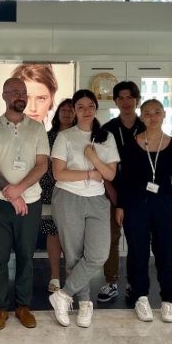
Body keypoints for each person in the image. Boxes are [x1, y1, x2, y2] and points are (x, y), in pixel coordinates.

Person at [0, 77, 49, 330]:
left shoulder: (37, 128)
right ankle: (0, 308)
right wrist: (12, 195)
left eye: (22, 92)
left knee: (25, 256)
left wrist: (20, 190)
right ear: (4, 95)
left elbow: (42, 164)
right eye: (13, 92)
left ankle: (22, 306)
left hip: (30, 202)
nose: (19, 96)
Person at [48, 90, 119, 327]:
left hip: (97, 200)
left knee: (98, 253)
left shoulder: (106, 137)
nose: (86, 110)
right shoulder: (65, 136)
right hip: (68, 198)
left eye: (91, 106)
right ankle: (85, 304)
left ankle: (63, 295)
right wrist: (90, 173)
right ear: (75, 110)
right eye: (81, 106)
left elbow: (109, 173)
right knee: (73, 255)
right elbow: (59, 173)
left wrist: (94, 157)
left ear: (96, 108)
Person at [115, 99, 172, 323]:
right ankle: (140, 297)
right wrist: (120, 205)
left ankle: (169, 299)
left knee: (167, 251)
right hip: (136, 204)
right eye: (147, 113)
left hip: (165, 204)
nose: (152, 117)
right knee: (138, 252)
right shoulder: (130, 145)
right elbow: (123, 180)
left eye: (157, 112)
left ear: (164, 114)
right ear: (141, 117)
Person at [98, 81, 145, 303]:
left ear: (137, 99)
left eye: (130, 97)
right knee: (112, 238)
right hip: (112, 192)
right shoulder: (107, 130)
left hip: (139, 193)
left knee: (137, 239)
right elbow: (99, 166)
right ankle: (111, 281)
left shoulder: (146, 127)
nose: (125, 102)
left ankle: (135, 283)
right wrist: (112, 194)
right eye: (121, 98)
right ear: (115, 101)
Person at [42, 99, 75, 292]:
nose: (67, 113)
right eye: (63, 109)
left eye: (71, 110)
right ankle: (54, 276)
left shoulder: (80, 136)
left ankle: (72, 277)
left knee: (72, 235)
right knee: (53, 232)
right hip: (50, 190)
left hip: (74, 192)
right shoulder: (48, 137)